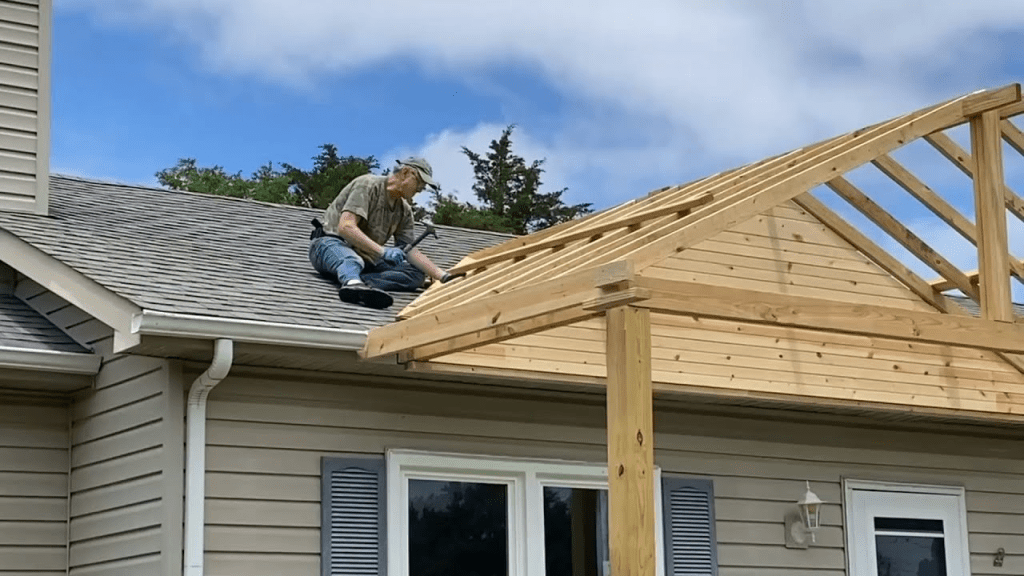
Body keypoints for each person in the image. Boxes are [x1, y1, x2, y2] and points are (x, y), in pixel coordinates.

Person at [308, 157, 460, 309]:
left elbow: (409, 249)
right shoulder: (367, 185)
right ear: (406, 173)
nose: (421, 188)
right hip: (329, 245)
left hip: (365, 257)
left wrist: (442, 276)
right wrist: (382, 251)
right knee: (352, 260)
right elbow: (346, 227)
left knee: (415, 275)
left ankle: (362, 282)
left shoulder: (404, 210)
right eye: (420, 182)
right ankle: (352, 284)